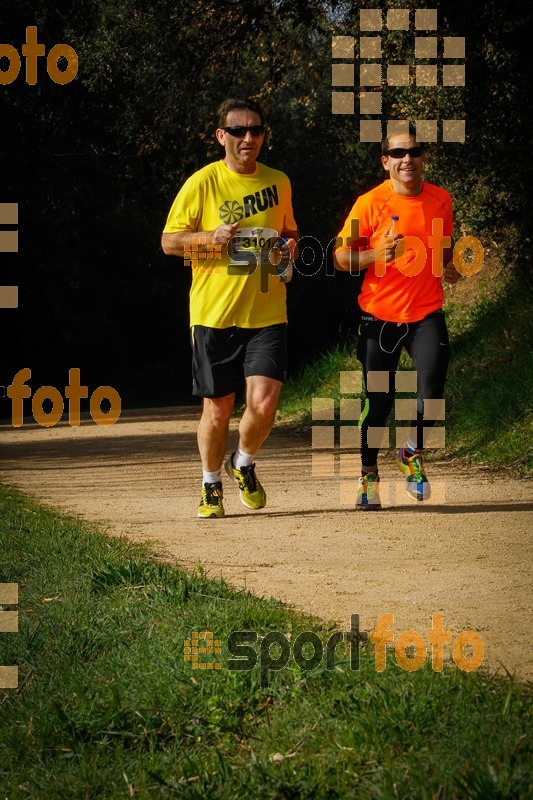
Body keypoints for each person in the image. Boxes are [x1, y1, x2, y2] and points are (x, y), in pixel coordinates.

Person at [161, 98, 298, 519]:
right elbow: (169, 242)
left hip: (266, 312)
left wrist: (289, 248)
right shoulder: (202, 183)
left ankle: (242, 462)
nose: (248, 138)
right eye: (238, 131)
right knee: (217, 409)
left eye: (255, 130)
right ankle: (209, 483)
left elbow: (289, 232)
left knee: (264, 404)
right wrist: (211, 238)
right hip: (213, 313)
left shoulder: (279, 181)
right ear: (221, 136)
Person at [334, 124, 459, 509]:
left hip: (426, 314)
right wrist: (374, 256)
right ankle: (368, 475)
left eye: (415, 152)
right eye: (400, 154)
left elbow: (444, 248)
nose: (409, 160)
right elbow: (339, 257)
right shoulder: (370, 204)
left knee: (433, 394)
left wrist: (448, 265)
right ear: (386, 161)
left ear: (424, 158)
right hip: (379, 317)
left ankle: (411, 451)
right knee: (379, 401)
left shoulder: (441, 199)